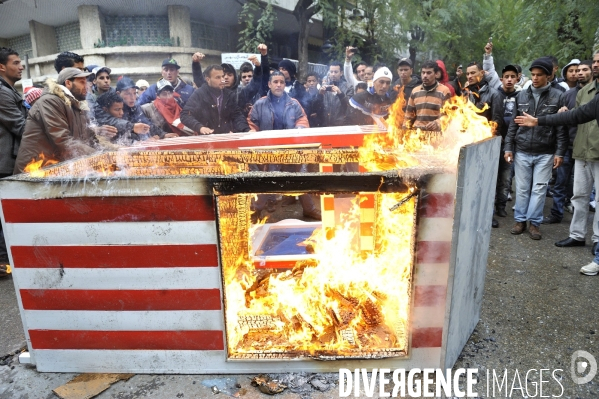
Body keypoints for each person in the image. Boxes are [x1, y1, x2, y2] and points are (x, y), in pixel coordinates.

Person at [515, 52, 599, 254]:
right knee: (579, 196)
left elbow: (571, 119)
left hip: (594, 152)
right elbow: (577, 116)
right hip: (581, 151)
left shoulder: (559, 94)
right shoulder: (585, 91)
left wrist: (543, 126)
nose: (595, 65)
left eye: (597, 62)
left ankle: (597, 241)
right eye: (594, 61)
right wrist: (540, 121)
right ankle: (577, 235)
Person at [504, 57, 568, 240]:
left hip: (546, 151)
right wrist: (508, 148)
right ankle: (520, 221)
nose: (535, 78)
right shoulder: (521, 96)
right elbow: (513, 126)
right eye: (533, 74)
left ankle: (534, 223)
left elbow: (561, 128)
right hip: (523, 149)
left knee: (539, 189)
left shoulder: (558, 96)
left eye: (539, 75)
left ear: (548, 76)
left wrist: (559, 152)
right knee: (523, 188)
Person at [247, 71, 319, 221]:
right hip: (268, 150)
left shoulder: (294, 103)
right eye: (275, 82)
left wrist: (300, 128)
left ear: (284, 84)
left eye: (281, 82)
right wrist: (253, 132)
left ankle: (309, 209)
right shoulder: (260, 104)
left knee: (301, 179)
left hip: (291, 148)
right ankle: (256, 210)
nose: (279, 85)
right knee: (265, 180)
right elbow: (251, 122)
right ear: (269, 84)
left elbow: (302, 119)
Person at [14, 68, 99, 173]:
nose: (86, 86)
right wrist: (97, 155)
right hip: (36, 170)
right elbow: (63, 141)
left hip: (57, 169)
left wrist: (113, 151)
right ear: (68, 83)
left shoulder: (78, 105)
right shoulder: (50, 102)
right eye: (82, 82)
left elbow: (90, 139)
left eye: (86, 82)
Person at [542, 60, 592, 225]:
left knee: (582, 190)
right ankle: (556, 213)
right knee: (560, 182)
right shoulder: (568, 95)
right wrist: (560, 149)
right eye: (577, 70)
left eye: (584, 70)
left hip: (588, 148)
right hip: (568, 146)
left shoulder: (594, 96)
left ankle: (579, 221)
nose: (579, 73)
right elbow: (561, 124)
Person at [463, 61, 504, 228]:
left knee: (487, 182)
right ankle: (469, 212)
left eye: (473, 73)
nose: (470, 76)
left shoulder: (494, 94)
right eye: (467, 74)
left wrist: (487, 144)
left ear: (482, 73)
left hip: (485, 145)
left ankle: (489, 215)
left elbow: (497, 122)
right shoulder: (465, 94)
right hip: (467, 143)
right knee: (469, 181)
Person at [0, 46, 27, 276]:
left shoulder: (10, 90)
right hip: (3, 163)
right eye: (16, 62)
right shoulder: (1, 92)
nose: (21, 66)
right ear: (2, 67)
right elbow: (20, 126)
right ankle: (3, 264)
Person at [181, 65, 250, 134]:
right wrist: (200, 127)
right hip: (206, 138)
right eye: (218, 77)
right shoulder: (199, 94)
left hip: (226, 137)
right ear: (208, 79)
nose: (223, 80)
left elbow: (237, 116)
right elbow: (185, 115)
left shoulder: (229, 95)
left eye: (222, 76)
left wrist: (246, 130)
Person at [95, 77, 164, 144]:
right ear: (118, 94)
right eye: (128, 93)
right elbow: (116, 127)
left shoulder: (134, 106)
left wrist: (162, 134)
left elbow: (144, 123)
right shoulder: (108, 105)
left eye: (134, 93)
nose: (132, 97)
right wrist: (139, 139)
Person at [495, 64, 522, 219]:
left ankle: (501, 206)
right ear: (501, 79)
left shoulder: (521, 96)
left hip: (511, 145)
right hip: (494, 143)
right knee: (492, 177)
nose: (509, 80)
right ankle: (491, 207)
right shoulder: (494, 94)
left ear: (517, 78)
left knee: (506, 177)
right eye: (507, 77)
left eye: (513, 77)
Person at [404, 60, 451, 131]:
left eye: (429, 73)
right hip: (416, 136)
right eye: (423, 73)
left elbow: (449, 115)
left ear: (436, 74)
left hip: (435, 136)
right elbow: (408, 116)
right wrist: (404, 130)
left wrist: (438, 123)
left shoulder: (444, 91)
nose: (425, 76)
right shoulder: (415, 91)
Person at [312, 62, 354, 127]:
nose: (333, 74)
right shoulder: (324, 86)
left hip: (341, 125)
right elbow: (317, 107)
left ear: (341, 73)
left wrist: (340, 94)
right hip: (325, 125)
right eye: (331, 72)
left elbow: (350, 107)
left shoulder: (348, 87)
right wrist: (319, 95)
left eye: (336, 72)